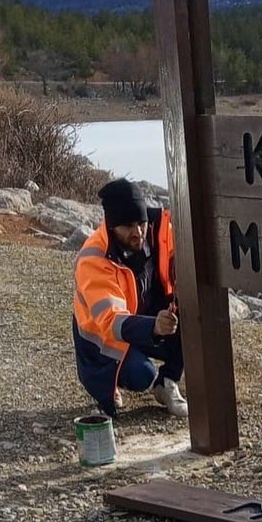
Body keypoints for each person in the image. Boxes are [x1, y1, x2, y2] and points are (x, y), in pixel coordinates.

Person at [72, 178, 188, 420]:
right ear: (112, 226)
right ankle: (108, 385)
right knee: (141, 375)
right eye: (128, 226)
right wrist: (154, 327)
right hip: (103, 339)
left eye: (141, 223)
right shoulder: (94, 259)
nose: (138, 233)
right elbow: (110, 321)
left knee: (193, 318)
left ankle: (166, 382)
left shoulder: (159, 232)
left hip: (144, 315)